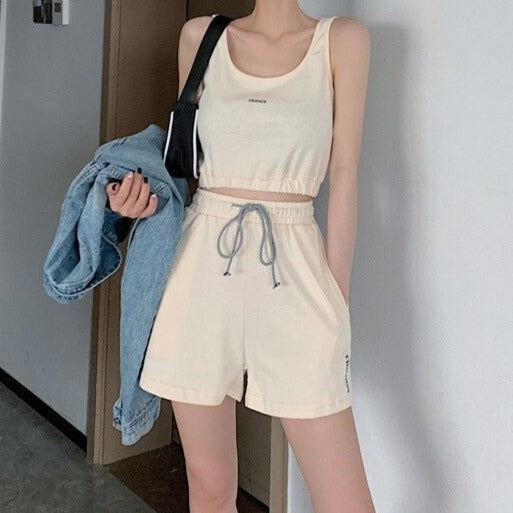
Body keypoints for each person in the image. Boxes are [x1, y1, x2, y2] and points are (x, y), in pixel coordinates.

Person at [106, 2, 373, 512]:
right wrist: (135, 201)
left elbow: (345, 173)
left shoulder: (343, 41)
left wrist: (336, 300)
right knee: (210, 492)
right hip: (200, 270)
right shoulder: (199, 37)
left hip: (295, 266)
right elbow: (181, 168)